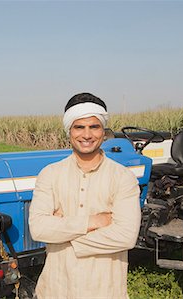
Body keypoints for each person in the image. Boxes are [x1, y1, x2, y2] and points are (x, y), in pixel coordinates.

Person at [29, 92, 141, 299]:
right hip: (56, 289)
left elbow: (126, 236)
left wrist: (64, 236)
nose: (87, 135)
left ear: (104, 131)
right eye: (79, 127)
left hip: (105, 290)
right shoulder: (50, 174)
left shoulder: (123, 177)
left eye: (94, 127)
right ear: (69, 131)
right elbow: (38, 228)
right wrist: (95, 221)